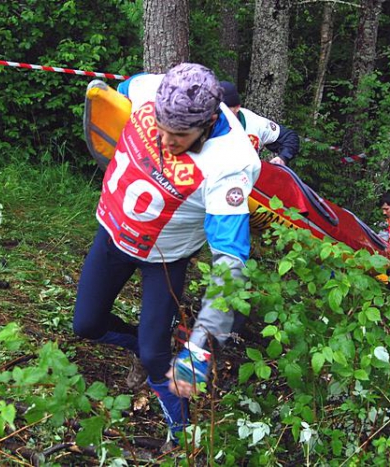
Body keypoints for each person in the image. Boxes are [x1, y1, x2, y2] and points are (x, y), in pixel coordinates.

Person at [73, 63, 261, 443]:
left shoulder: (231, 163)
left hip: (164, 258)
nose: (163, 140)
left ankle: (181, 434)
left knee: (156, 358)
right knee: (87, 326)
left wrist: (199, 348)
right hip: (113, 234)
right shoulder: (151, 87)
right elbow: (117, 97)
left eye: (178, 135)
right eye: (159, 127)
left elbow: (230, 262)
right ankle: (150, 344)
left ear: (208, 122)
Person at [219, 81, 300, 166]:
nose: (221, 114)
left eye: (226, 109)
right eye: (218, 109)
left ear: (237, 107)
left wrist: (283, 158)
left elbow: (289, 136)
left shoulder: (254, 123)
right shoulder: (207, 124)